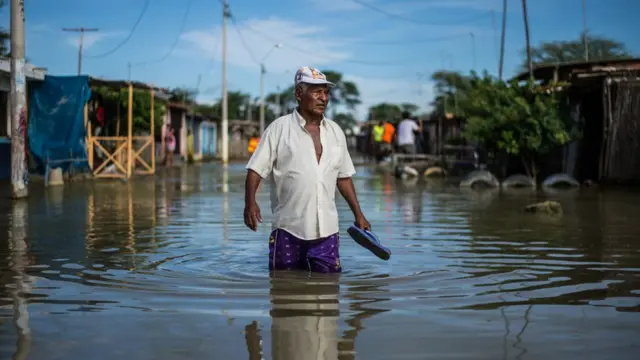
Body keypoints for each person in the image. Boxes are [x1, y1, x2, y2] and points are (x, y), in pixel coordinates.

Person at [244, 66, 371, 273]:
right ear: (298, 94)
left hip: (327, 230)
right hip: (288, 228)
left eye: (326, 92)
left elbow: (344, 177)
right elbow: (255, 169)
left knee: (329, 290)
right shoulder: (279, 128)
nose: (324, 98)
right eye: (316, 92)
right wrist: (250, 202)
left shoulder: (336, 132)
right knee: (283, 287)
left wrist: (359, 214)